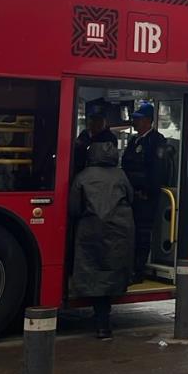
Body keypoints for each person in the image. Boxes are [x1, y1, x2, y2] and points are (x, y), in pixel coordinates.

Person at [68, 141, 134, 340]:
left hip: (90, 230)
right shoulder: (121, 176)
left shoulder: (83, 177)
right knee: (110, 270)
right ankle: (104, 323)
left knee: (93, 270)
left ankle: (101, 322)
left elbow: (74, 208)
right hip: (119, 230)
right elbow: (130, 198)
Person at [120, 102, 167, 281]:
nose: (135, 123)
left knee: (142, 233)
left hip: (145, 197)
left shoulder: (156, 141)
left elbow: (157, 171)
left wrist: (147, 191)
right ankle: (129, 266)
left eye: (138, 119)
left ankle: (138, 270)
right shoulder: (135, 140)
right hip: (131, 194)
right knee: (130, 232)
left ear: (148, 121)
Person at [73, 101, 118, 174]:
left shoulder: (110, 138)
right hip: (79, 171)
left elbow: (108, 161)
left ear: (105, 122)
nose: (95, 123)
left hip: (100, 174)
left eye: (100, 120)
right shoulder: (85, 134)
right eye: (93, 119)